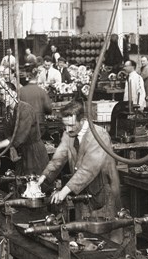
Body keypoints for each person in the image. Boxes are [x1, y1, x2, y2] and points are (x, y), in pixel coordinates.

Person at [38, 101, 122, 237]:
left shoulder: (99, 135)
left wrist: (64, 191)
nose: (67, 130)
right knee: (84, 235)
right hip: (81, 190)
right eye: (65, 126)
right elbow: (59, 157)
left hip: (102, 191)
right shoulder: (70, 133)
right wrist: (42, 179)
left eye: (71, 125)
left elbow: (88, 169)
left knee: (104, 236)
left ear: (83, 120)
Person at [0, 84, 49, 176]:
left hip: (34, 152)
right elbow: (9, 133)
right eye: (1, 95)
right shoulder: (8, 111)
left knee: (36, 183)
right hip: (21, 152)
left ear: (14, 94)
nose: (3, 98)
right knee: (21, 181)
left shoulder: (25, 109)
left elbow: (20, 136)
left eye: (6, 94)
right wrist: (12, 148)